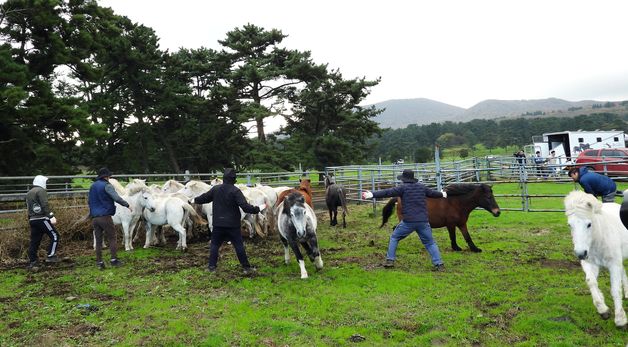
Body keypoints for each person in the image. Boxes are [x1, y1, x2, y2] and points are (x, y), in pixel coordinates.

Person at [361, 169, 447, 271]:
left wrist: (372, 194)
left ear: (404, 179)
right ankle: (439, 264)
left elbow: (388, 192)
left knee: (394, 237)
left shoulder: (402, 188)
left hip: (409, 221)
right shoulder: (422, 187)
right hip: (423, 221)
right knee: (430, 243)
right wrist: (442, 194)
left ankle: (390, 260)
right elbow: (433, 193)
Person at [191, 168, 266, 275]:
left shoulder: (215, 189)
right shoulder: (235, 191)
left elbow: (204, 198)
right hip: (232, 224)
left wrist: (194, 200)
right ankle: (246, 268)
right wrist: (258, 208)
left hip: (218, 223)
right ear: (234, 179)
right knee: (238, 246)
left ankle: (211, 267)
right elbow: (245, 207)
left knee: (215, 245)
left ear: (224, 178)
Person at [88, 168, 132, 269]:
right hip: (105, 217)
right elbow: (116, 197)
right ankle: (114, 260)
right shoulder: (107, 185)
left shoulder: (92, 186)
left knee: (98, 241)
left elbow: (89, 201)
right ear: (107, 177)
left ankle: (99, 262)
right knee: (112, 237)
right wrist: (127, 205)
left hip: (95, 218)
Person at [25, 175, 60, 270]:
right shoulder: (41, 191)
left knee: (34, 241)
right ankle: (51, 256)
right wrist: (51, 216)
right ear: (41, 182)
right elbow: (44, 204)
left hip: (32, 220)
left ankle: (33, 260)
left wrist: (30, 218)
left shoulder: (29, 193)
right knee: (55, 235)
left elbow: (28, 207)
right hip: (42, 218)